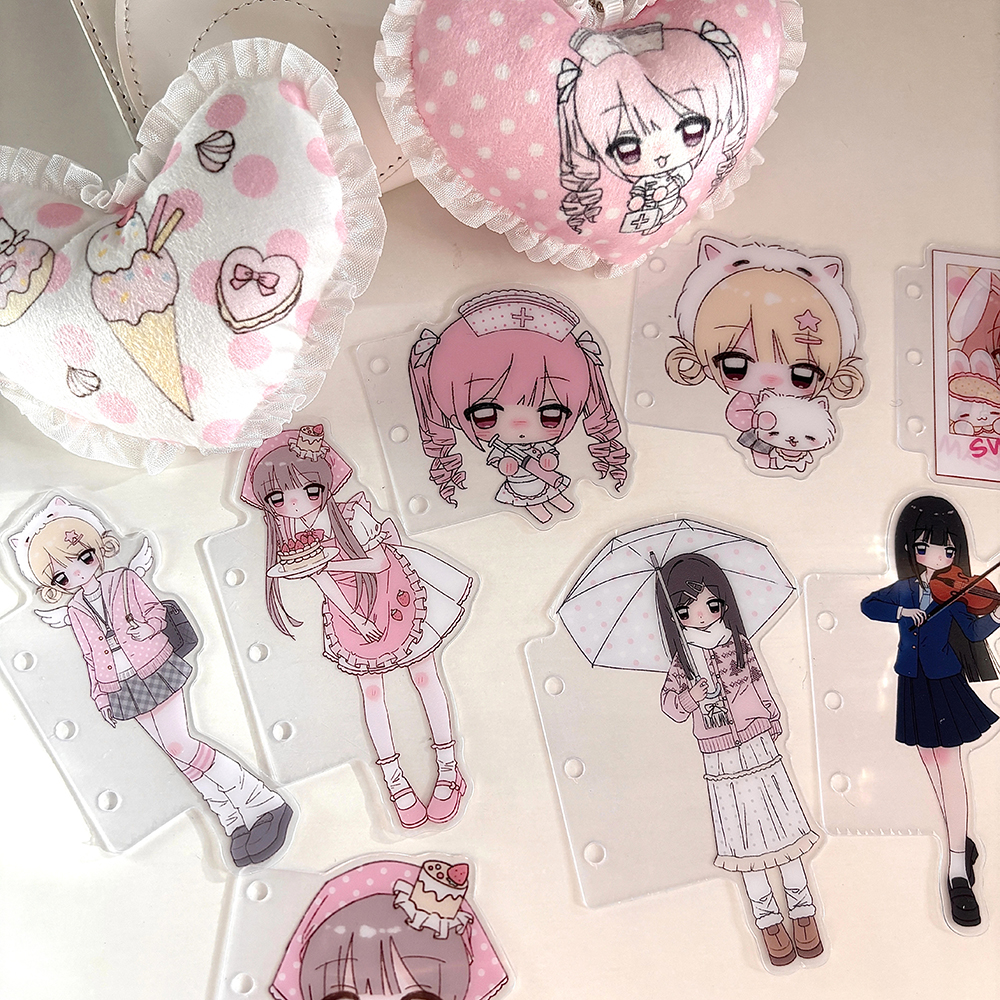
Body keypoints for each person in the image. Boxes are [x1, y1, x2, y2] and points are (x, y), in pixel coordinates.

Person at [10, 495, 291, 867]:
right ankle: (233, 821)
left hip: (155, 666)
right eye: (61, 575)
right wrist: (100, 696)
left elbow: (156, 611)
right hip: (123, 687)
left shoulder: (124, 579)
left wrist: (149, 627)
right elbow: (91, 655)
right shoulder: (75, 609)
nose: (76, 573)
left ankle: (262, 803)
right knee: (176, 754)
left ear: (99, 547)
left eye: (83, 557)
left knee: (181, 743)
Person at [241, 425, 471, 829]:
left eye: (308, 490)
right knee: (371, 690)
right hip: (348, 606)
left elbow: (378, 562)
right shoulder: (291, 534)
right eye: (278, 498)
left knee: (423, 675)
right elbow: (321, 579)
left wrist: (333, 559)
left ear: (324, 484)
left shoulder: (351, 514)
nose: (293, 504)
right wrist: (353, 617)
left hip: (393, 590)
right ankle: (395, 781)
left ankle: (449, 769)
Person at [656, 552, 823, 965]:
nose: (701, 615)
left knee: (782, 825)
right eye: (687, 609)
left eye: (710, 604)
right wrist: (691, 697)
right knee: (742, 835)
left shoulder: (738, 644)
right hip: (720, 758)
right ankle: (767, 920)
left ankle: (803, 910)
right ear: (676, 616)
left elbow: (758, 682)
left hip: (758, 745)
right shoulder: (682, 662)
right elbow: (670, 706)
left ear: (723, 602)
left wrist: (772, 714)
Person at [861, 495, 1000, 927]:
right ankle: (959, 838)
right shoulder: (906, 589)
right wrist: (903, 610)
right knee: (929, 760)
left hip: (943, 679)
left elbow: (974, 630)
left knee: (948, 764)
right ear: (912, 548)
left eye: (947, 550)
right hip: (912, 679)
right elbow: (869, 605)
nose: (938, 557)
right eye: (926, 547)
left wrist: (996, 614)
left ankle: (957, 866)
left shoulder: (957, 592)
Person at [409, 288, 627, 523]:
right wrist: (508, 464)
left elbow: (550, 455)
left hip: (546, 479)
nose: (519, 424)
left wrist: (548, 460)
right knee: (532, 503)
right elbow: (498, 461)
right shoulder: (499, 446)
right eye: (486, 415)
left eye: (550, 415)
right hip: (519, 484)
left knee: (555, 495)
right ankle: (539, 509)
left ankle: (556, 502)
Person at [556, 22, 747, 236]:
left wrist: (669, 187)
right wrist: (639, 197)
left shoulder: (682, 169)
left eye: (691, 133)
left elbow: (683, 176)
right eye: (629, 151)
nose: (662, 156)